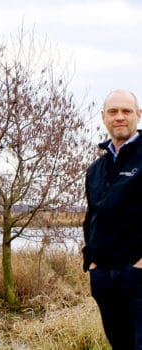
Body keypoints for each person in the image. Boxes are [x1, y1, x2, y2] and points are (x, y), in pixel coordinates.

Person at [83, 89, 142, 349]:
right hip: (104, 276)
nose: (120, 117)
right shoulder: (96, 169)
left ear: (138, 115)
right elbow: (92, 217)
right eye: (113, 112)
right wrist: (92, 262)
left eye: (126, 111)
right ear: (103, 117)